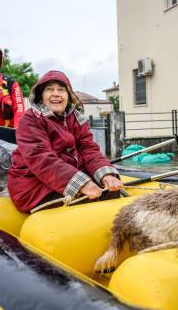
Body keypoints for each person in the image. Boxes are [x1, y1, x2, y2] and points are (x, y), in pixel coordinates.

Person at [8, 70, 123, 213]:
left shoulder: (76, 118)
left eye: (61, 90)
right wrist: (82, 183)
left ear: (68, 96)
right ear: (41, 95)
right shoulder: (30, 119)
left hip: (67, 174)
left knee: (111, 191)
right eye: (49, 89)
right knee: (87, 201)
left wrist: (106, 174)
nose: (56, 93)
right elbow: (41, 159)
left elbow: (89, 149)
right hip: (34, 185)